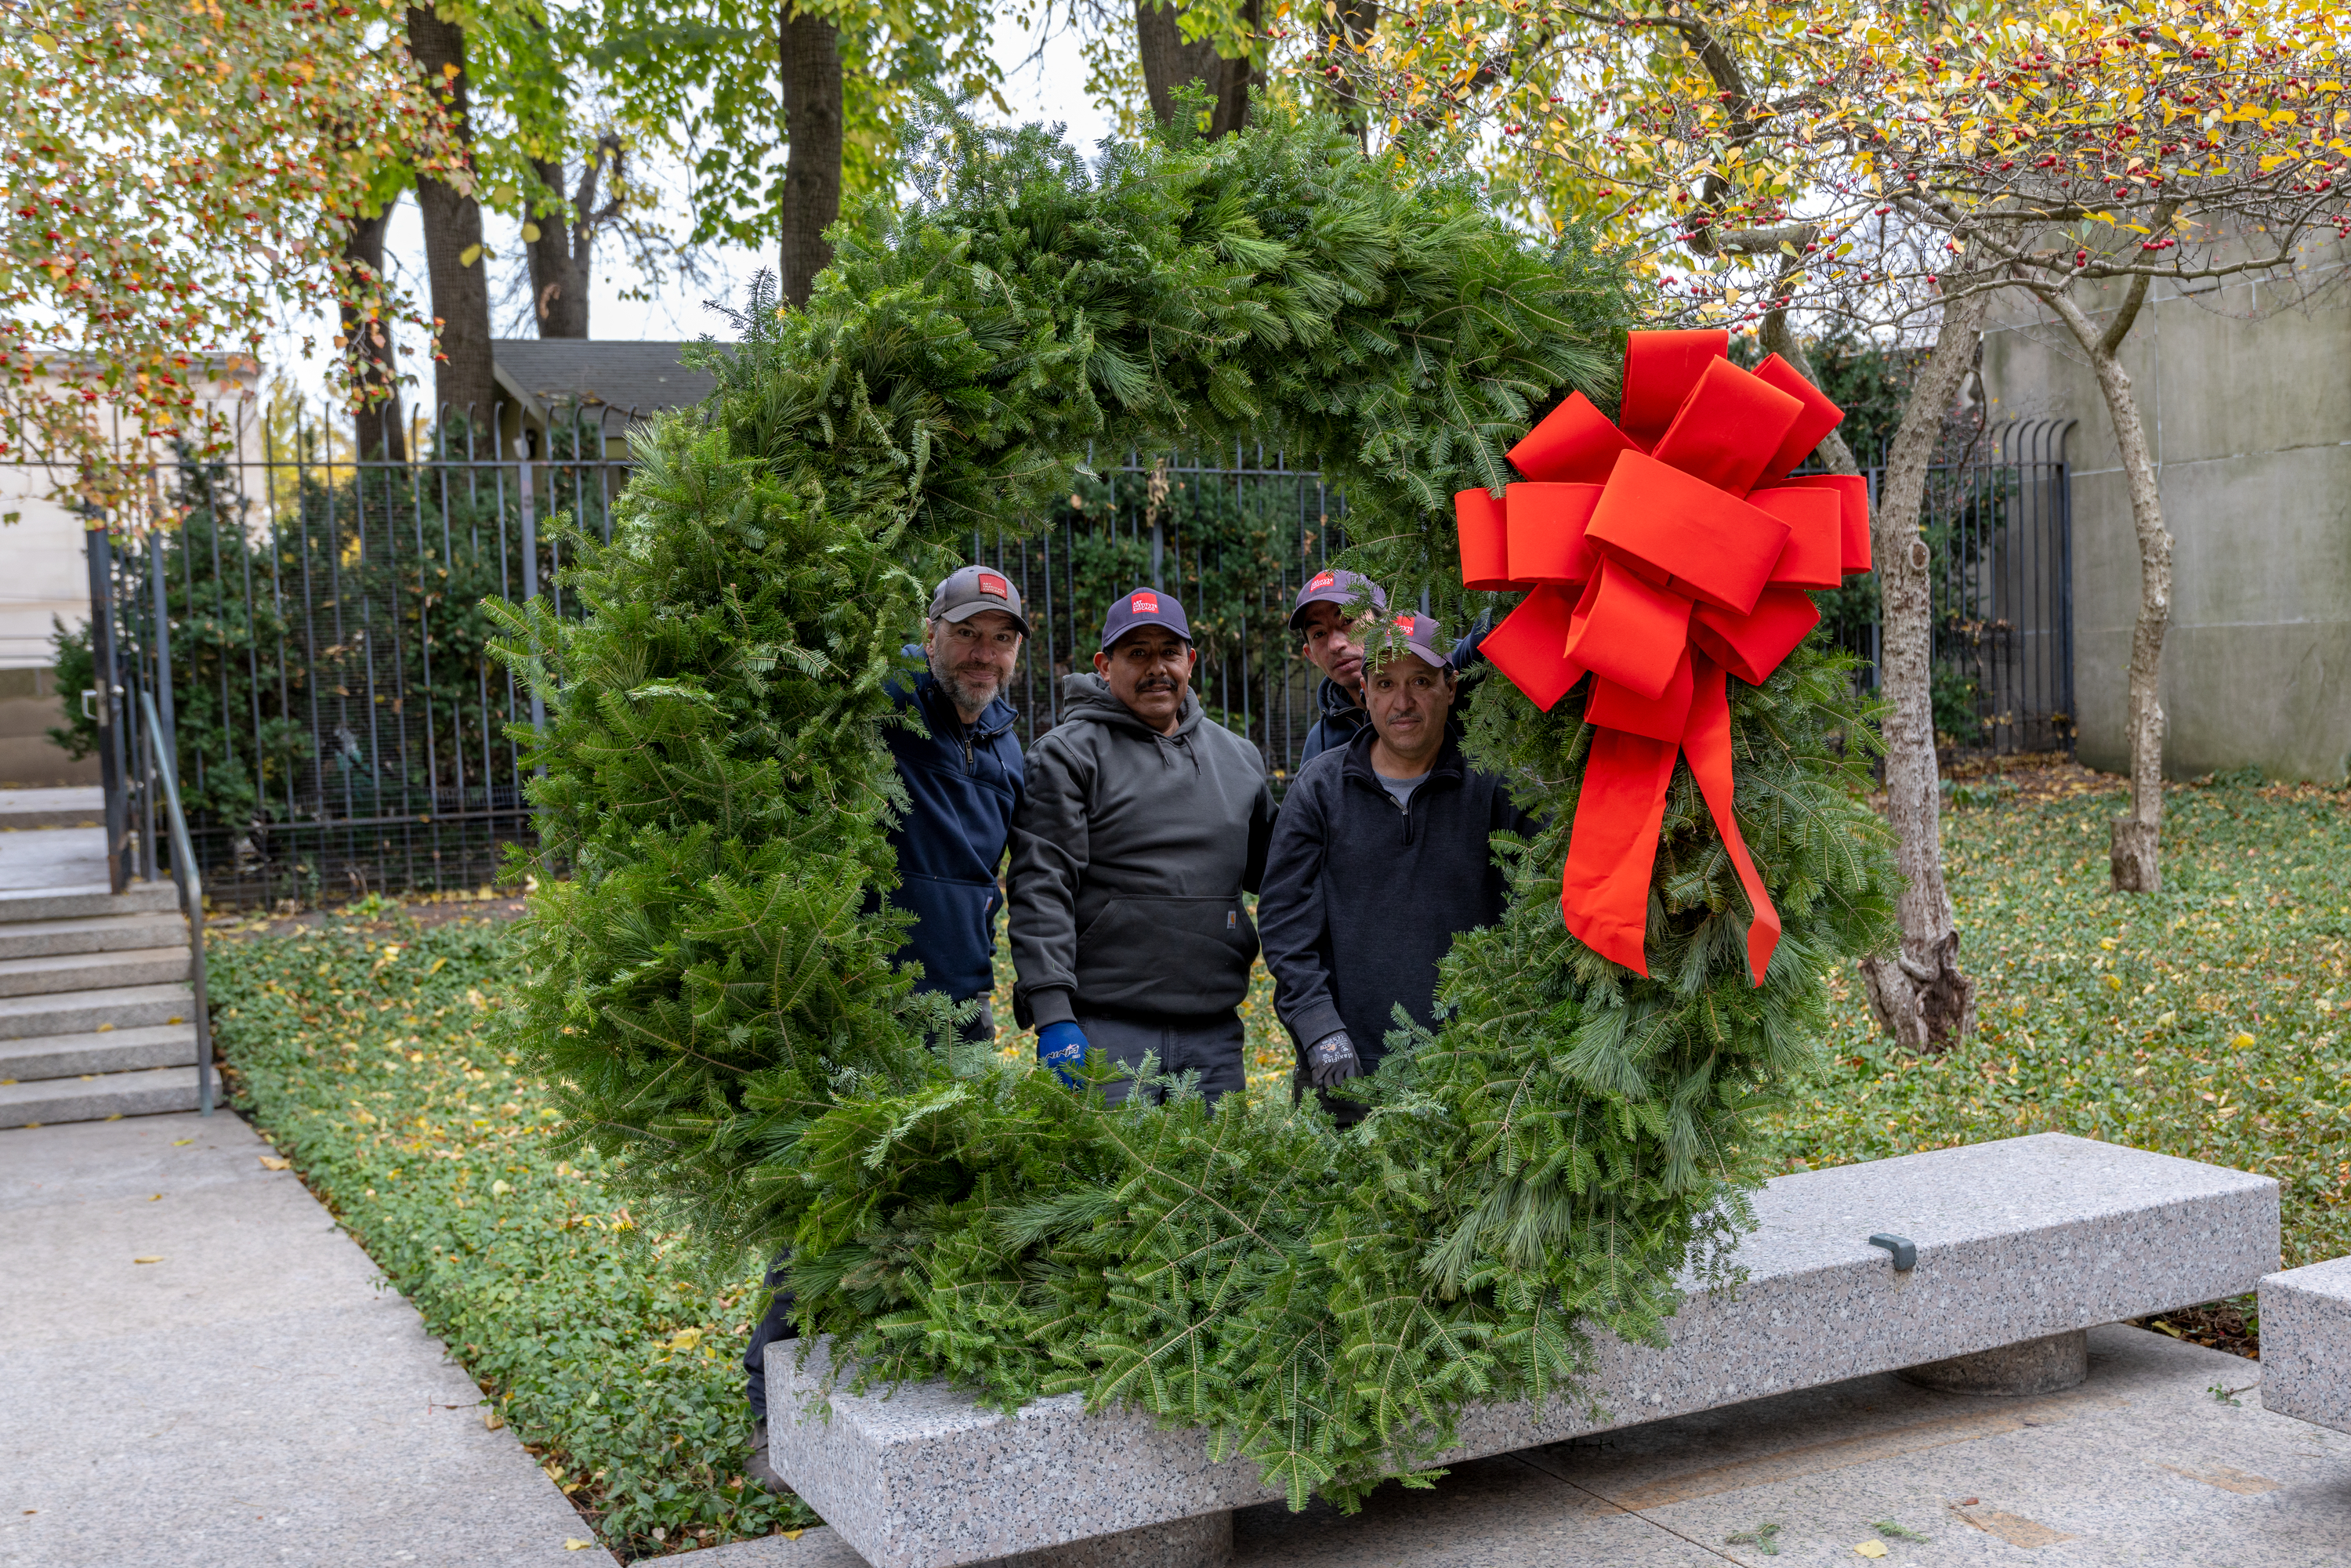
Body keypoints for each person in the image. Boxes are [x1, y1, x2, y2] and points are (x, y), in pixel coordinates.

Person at [743, 563, 1028, 1490]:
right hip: (867, 1011)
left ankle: (916, 1381)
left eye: (1001, 638)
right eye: (967, 633)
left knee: (958, 1198)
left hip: (964, 1009)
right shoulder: (881, 711)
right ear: (930, 632)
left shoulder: (1010, 744)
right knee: (823, 1222)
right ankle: (768, 1419)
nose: (983, 654)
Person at [1257, 610, 1540, 1124]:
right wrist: (1319, 1026)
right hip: (1345, 1073)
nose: (1402, 701)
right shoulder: (1320, 789)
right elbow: (1284, 923)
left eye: (1420, 682)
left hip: (1476, 1081)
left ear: (1451, 686)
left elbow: (1537, 914)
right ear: (1364, 690)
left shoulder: (1496, 787)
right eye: (1385, 683)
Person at [1008, 586, 1277, 1107]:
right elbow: (1041, 885)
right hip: (1104, 1032)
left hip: (1214, 1035)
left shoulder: (1238, 759)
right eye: (1137, 653)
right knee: (1106, 1187)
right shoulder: (1067, 755)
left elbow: (1284, 876)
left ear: (1191, 661)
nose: (1156, 667)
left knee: (1215, 1188)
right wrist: (1054, 1015)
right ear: (1104, 666)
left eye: (1168, 652)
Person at [1291, 570, 1489, 767]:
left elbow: (1489, 631)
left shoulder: (1442, 669)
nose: (1335, 644)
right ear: (1311, 655)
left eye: (1348, 621)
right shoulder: (1319, 746)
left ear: (1383, 622)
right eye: (1319, 634)